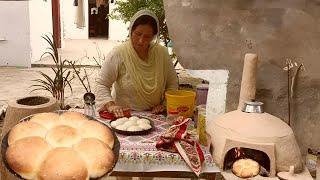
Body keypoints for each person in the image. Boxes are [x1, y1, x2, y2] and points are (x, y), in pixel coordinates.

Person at [96, 9, 178, 118]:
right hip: (124, 115)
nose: (141, 40)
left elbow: (172, 83)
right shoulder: (119, 54)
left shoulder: (161, 53)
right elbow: (102, 84)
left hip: (155, 115)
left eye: (147, 36)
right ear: (131, 31)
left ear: (153, 36)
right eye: (138, 34)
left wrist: (164, 104)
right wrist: (111, 105)